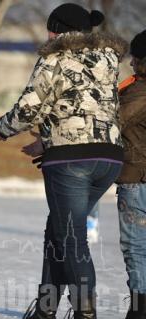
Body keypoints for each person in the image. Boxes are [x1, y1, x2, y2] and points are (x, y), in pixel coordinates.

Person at [0, 3, 128, 318]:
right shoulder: (108, 60)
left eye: (51, 28)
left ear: (59, 29)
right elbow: (84, 108)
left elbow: (29, 108)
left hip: (71, 162)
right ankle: (45, 309)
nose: (47, 34)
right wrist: (47, 141)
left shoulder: (55, 58)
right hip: (108, 156)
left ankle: (85, 312)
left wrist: (2, 128)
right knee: (59, 229)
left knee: (70, 237)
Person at [116, 30, 146, 319]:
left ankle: (139, 311)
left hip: (138, 179)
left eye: (135, 60)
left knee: (136, 247)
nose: (132, 66)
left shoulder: (139, 91)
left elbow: (112, 123)